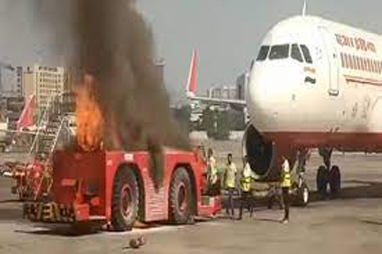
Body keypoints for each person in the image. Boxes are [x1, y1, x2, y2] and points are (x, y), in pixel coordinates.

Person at [238, 156, 256, 220]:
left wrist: (242, 176)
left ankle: (241, 215)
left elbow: (246, 176)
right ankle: (250, 209)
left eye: (244, 160)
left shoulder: (247, 168)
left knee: (242, 201)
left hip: (246, 187)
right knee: (246, 200)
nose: (243, 161)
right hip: (245, 187)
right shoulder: (246, 167)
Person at [223, 153, 237, 218]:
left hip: (232, 183)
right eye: (228, 158)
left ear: (231, 158)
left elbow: (235, 174)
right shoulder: (226, 165)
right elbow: (225, 174)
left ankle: (228, 210)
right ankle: (231, 211)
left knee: (230, 198)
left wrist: (236, 183)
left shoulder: (233, 165)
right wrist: (223, 183)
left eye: (230, 158)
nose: (229, 159)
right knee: (230, 197)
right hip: (228, 183)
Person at [280, 156, 291, 224]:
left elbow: (284, 173)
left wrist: (281, 179)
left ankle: (286, 218)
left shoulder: (285, 164)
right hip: (284, 184)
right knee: (285, 201)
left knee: (286, 202)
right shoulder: (285, 163)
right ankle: (285, 217)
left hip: (286, 184)